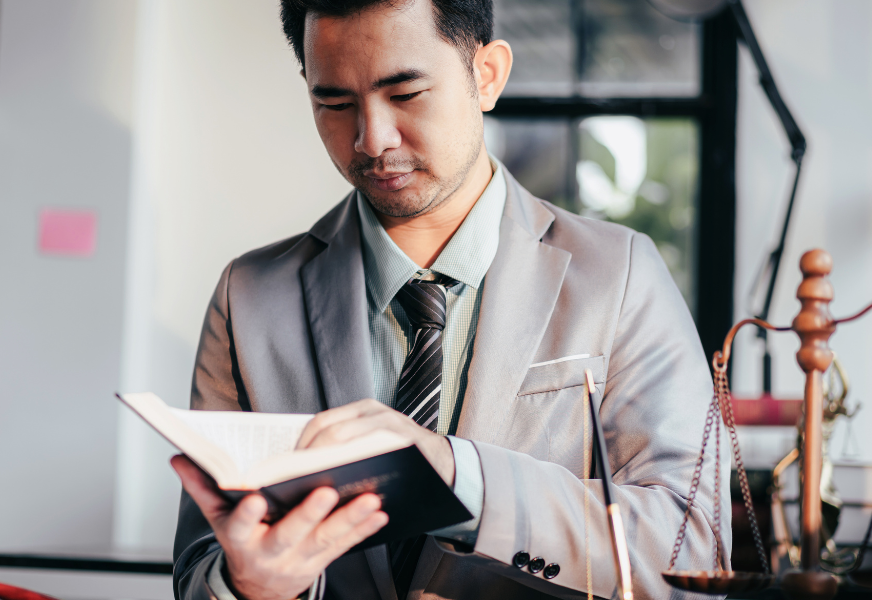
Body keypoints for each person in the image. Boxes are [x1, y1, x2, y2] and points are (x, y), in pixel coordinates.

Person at [170, 0, 729, 598]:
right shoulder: (249, 298)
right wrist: (246, 585)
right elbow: (200, 566)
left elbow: (694, 549)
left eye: (405, 94)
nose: (371, 140)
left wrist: (460, 476)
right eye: (334, 103)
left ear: (486, 75)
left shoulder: (620, 275)